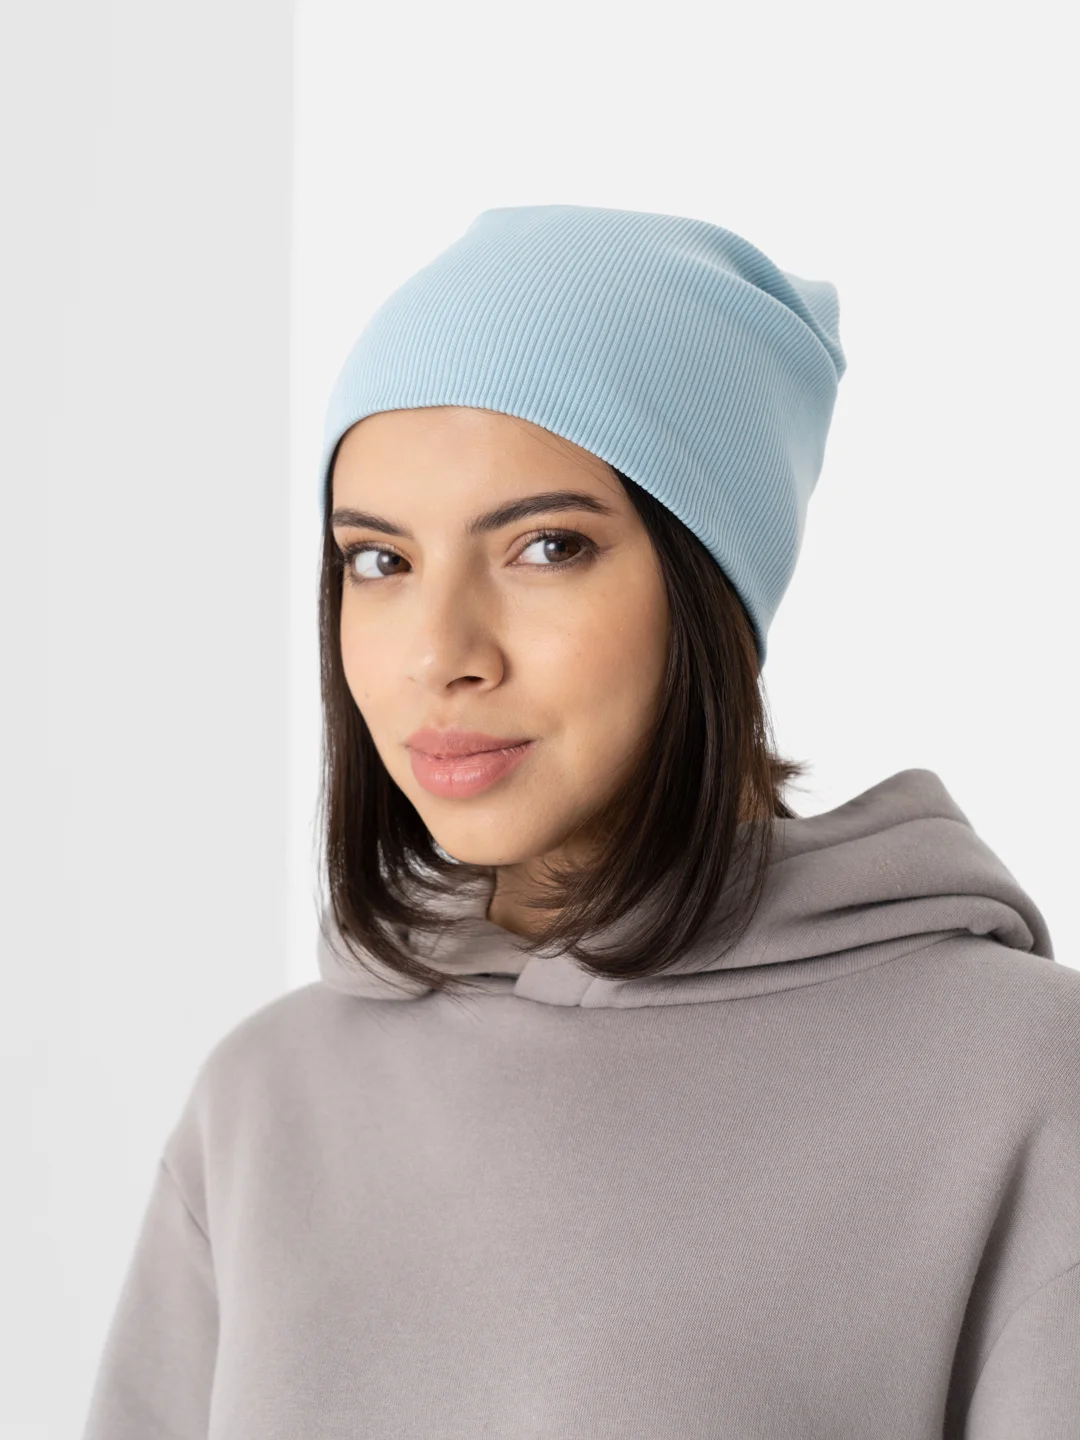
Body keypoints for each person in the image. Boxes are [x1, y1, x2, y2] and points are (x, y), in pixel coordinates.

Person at [81, 205, 1079, 1439]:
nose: (440, 653)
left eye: (546, 546)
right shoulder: (264, 1101)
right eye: (379, 561)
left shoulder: (1018, 1077)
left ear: (710, 587)